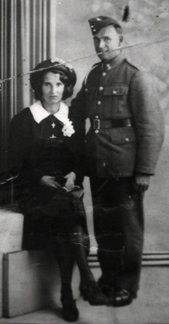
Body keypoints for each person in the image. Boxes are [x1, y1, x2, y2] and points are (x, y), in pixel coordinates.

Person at [70, 16, 164, 307]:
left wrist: (144, 171)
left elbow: (152, 128)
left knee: (128, 230)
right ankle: (109, 279)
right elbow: (76, 110)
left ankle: (126, 285)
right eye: (97, 40)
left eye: (107, 39)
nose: (101, 45)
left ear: (121, 42)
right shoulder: (94, 75)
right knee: (105, 227)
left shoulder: (136, 77)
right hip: (98, 165)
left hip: (125, 167)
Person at [6, 58, 110, 322]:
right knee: (71, 210)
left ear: (67, 88)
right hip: (33, 194)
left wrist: (75, 174)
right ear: (38, 87)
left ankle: (69, 291)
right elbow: (12, 167)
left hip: (65, 191)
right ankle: (84, 283)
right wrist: (40, 179)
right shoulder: (23, 120)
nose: (53, 90)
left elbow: (81, 162)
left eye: (59, 84)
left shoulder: (72, 119)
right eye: (47, 84)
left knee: (68, 207)